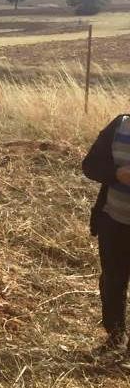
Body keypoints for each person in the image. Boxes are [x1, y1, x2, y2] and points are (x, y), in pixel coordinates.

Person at [82, 113, 130, 354]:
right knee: (112, 280)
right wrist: (116, 174)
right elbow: (90, 165)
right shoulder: (119, 125)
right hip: (114, 220)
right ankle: (115, 336)